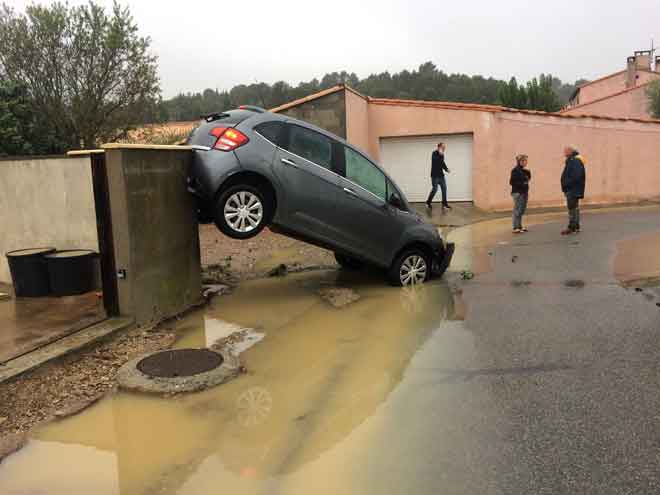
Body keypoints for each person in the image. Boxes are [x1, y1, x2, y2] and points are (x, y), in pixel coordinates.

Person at [560, 146, 586, 235]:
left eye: (565, 151)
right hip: (573, 189)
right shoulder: (573, 160)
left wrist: (567, 184)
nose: (564, 153)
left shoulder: (574, 161)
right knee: (574, 208)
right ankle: (575, 226)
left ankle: (572, 227)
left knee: (572, 208)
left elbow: (577, 175)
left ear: (570, 151)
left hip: (572, 189)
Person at [509, 154, 531, 234]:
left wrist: (527, 175)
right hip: (518, 193)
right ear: (520, 161)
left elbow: (528, 178)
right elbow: (511, 182)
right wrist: (522, 183)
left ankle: (519, 226)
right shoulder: (515, 170)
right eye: (524, 161)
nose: (526, 162)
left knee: (521, 210)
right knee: (517, 210)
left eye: (526, 161)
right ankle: (515, 227)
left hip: (524, 192)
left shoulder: (524, 171)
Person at [426, 143, 451, 210]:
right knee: (435, 189)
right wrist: (440, 155)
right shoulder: (434, 153)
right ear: (439, 147)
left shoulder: (442, 154)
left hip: (441, 176)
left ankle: (444, 204)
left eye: (444, 148)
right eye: (443, 147)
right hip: (434, 176)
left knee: (444, 189)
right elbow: (435, 161)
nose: (444, 149)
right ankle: (428, 202)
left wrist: (446, 169)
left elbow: (442, 163)